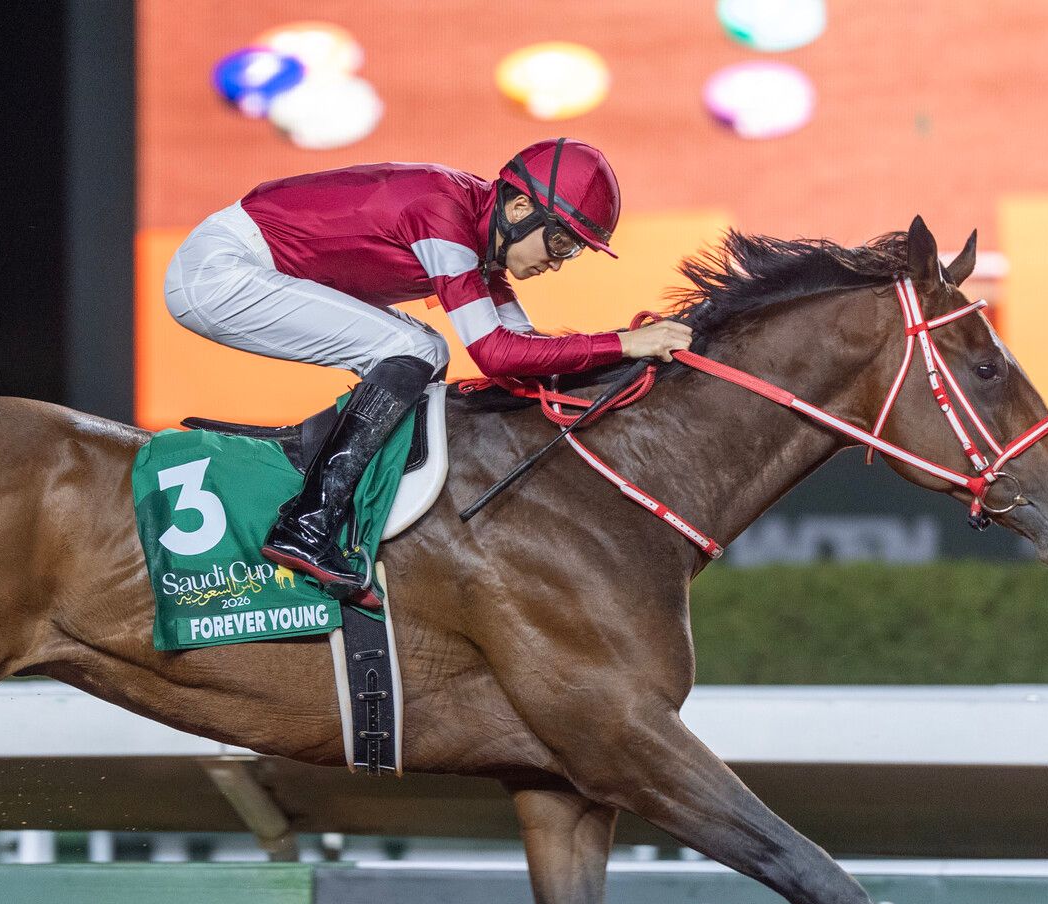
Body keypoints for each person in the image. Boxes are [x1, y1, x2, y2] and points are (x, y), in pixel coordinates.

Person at [165, 138, 694, 608]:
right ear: (519, 207)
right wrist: (624, 342)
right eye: (561, 242)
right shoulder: (442, 213)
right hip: (221, 272)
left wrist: (627, 358)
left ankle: (333, 510)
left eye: (573, 251)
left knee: (422, 351)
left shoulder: (478, 239)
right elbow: (497, 354)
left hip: (246, 266)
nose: (560, 261)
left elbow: (526, 354)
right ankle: (307, 525)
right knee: (412, 346)